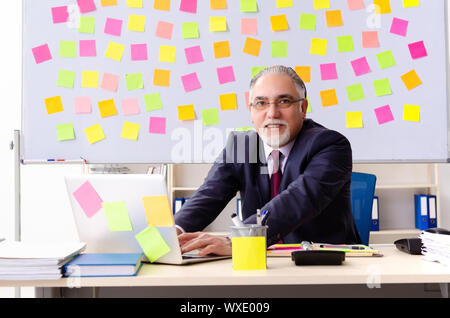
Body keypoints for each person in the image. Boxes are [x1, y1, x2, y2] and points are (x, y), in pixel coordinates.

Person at [175, 65, 360, 256]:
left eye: (284, 101)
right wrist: (174, 232)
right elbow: (209, 195)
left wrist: (238, 241)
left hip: (325, 265)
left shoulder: (330, 145)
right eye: (261, 103)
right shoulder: (241, 147)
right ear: (251, 111)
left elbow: (299, 199)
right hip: (258, 262)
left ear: (302, 108)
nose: (272, 113)